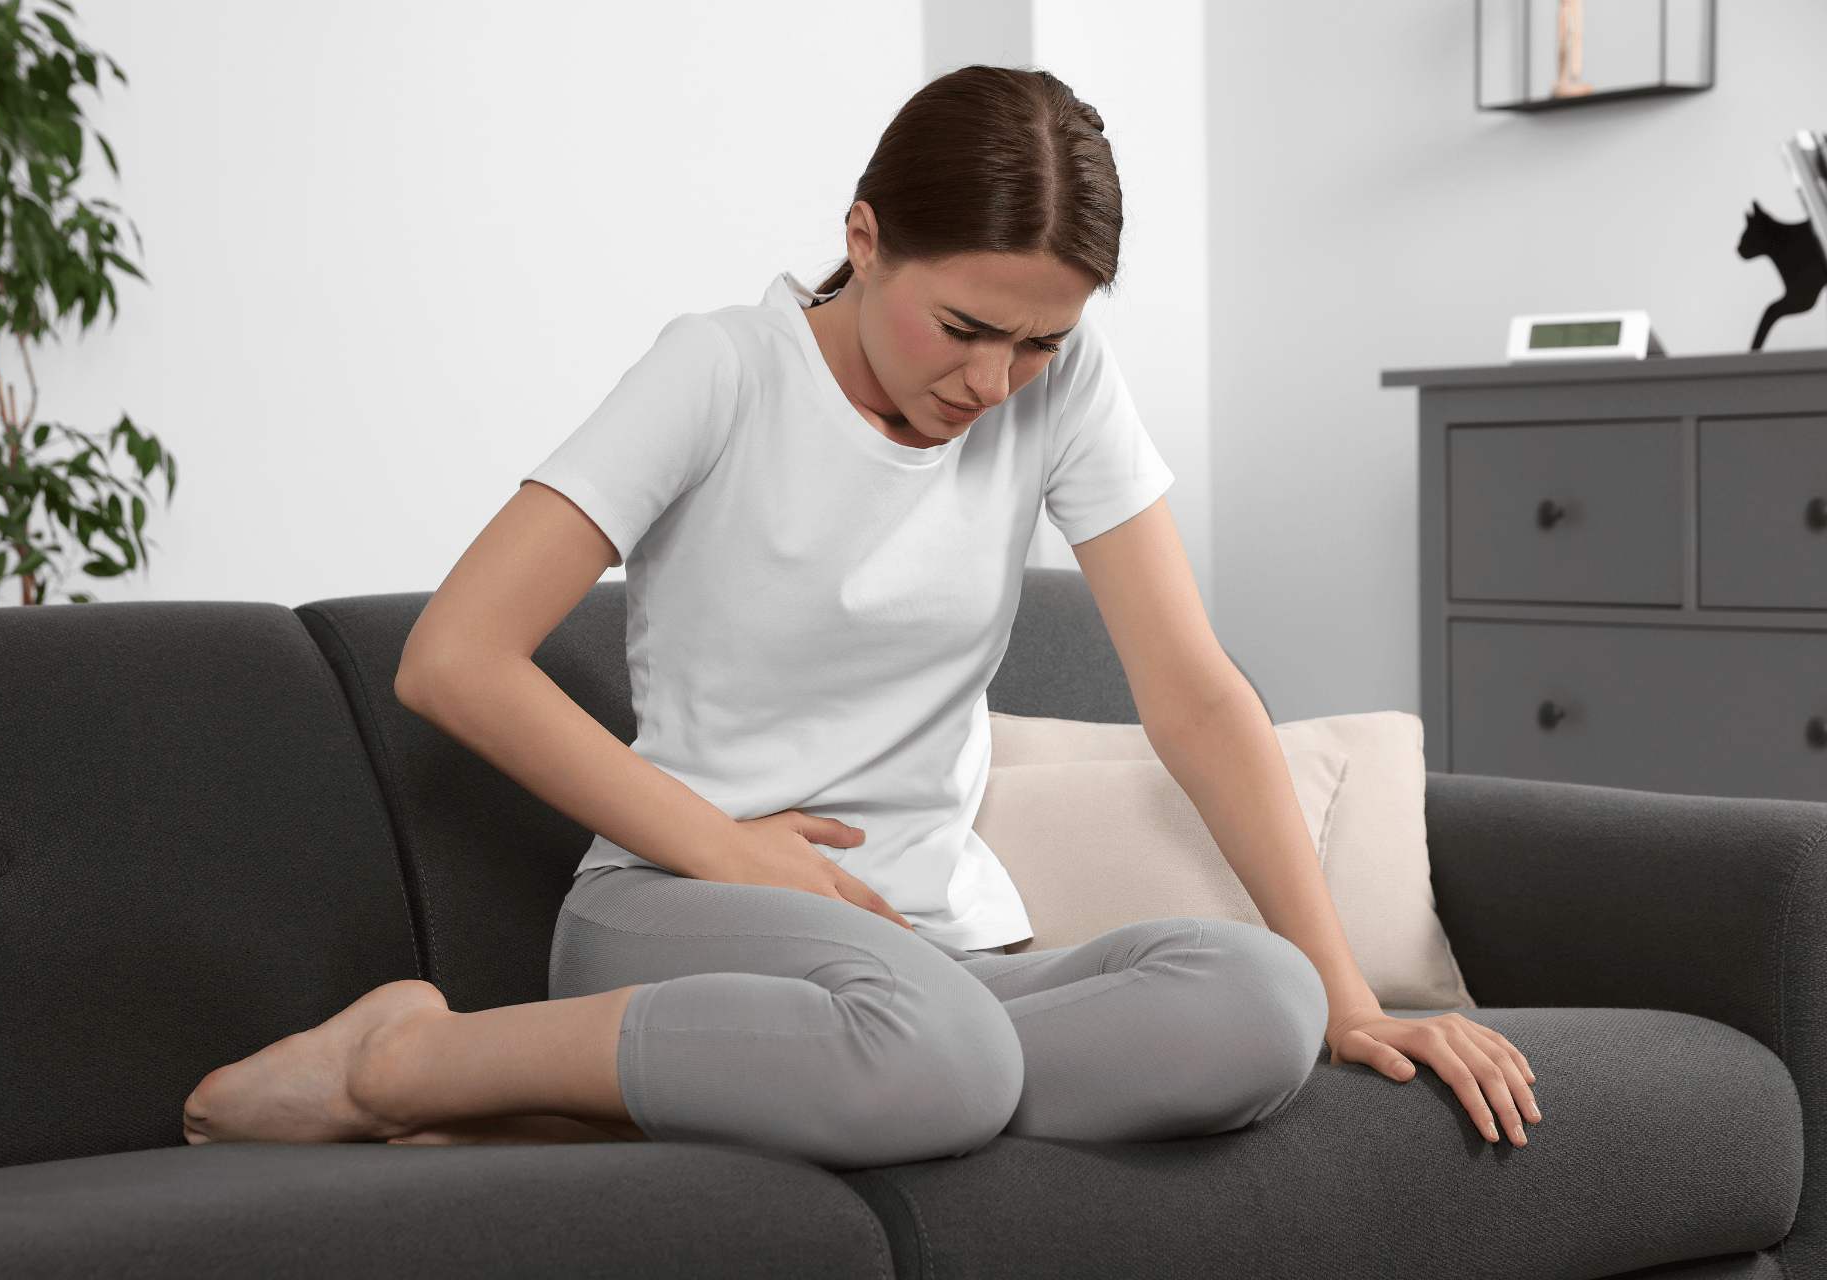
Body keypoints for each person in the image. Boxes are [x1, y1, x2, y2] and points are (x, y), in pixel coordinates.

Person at [181, 66, 1538, 1168]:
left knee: (1264, 1007)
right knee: (942, 1058)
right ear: (864, 235)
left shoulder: (1060, 385)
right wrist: (730, 852)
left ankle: (769, 1097)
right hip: (682, 901)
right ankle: (399, 1060)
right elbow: (454, 659)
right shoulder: (721, 371)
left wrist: (1355, 1000)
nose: (998, 382)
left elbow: (1189, 691)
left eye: (1040, 344)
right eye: (962, 326)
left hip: (933, 947)